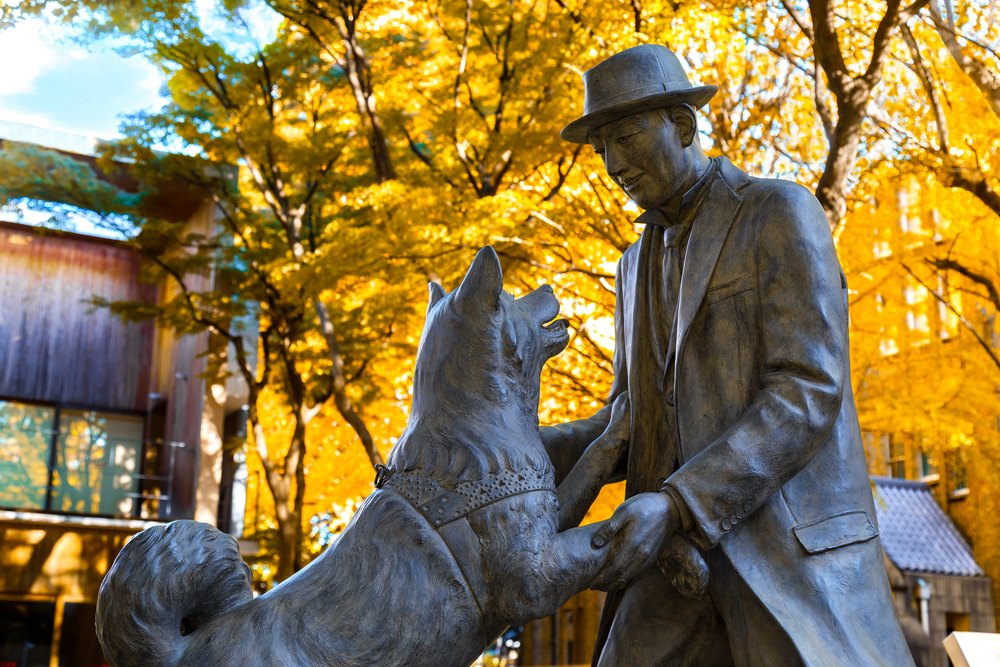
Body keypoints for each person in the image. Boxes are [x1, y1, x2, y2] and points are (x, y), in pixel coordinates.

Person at [542, 44, 914, 667]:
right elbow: (628, 422)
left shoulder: (779, 211)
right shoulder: (631, 266)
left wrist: (681, 501)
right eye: (600, 147)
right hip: (669, 565)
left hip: (783, 558)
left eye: (626, 137)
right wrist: (507, 451)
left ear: (683, 126)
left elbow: (807, 389)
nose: (611, 163)